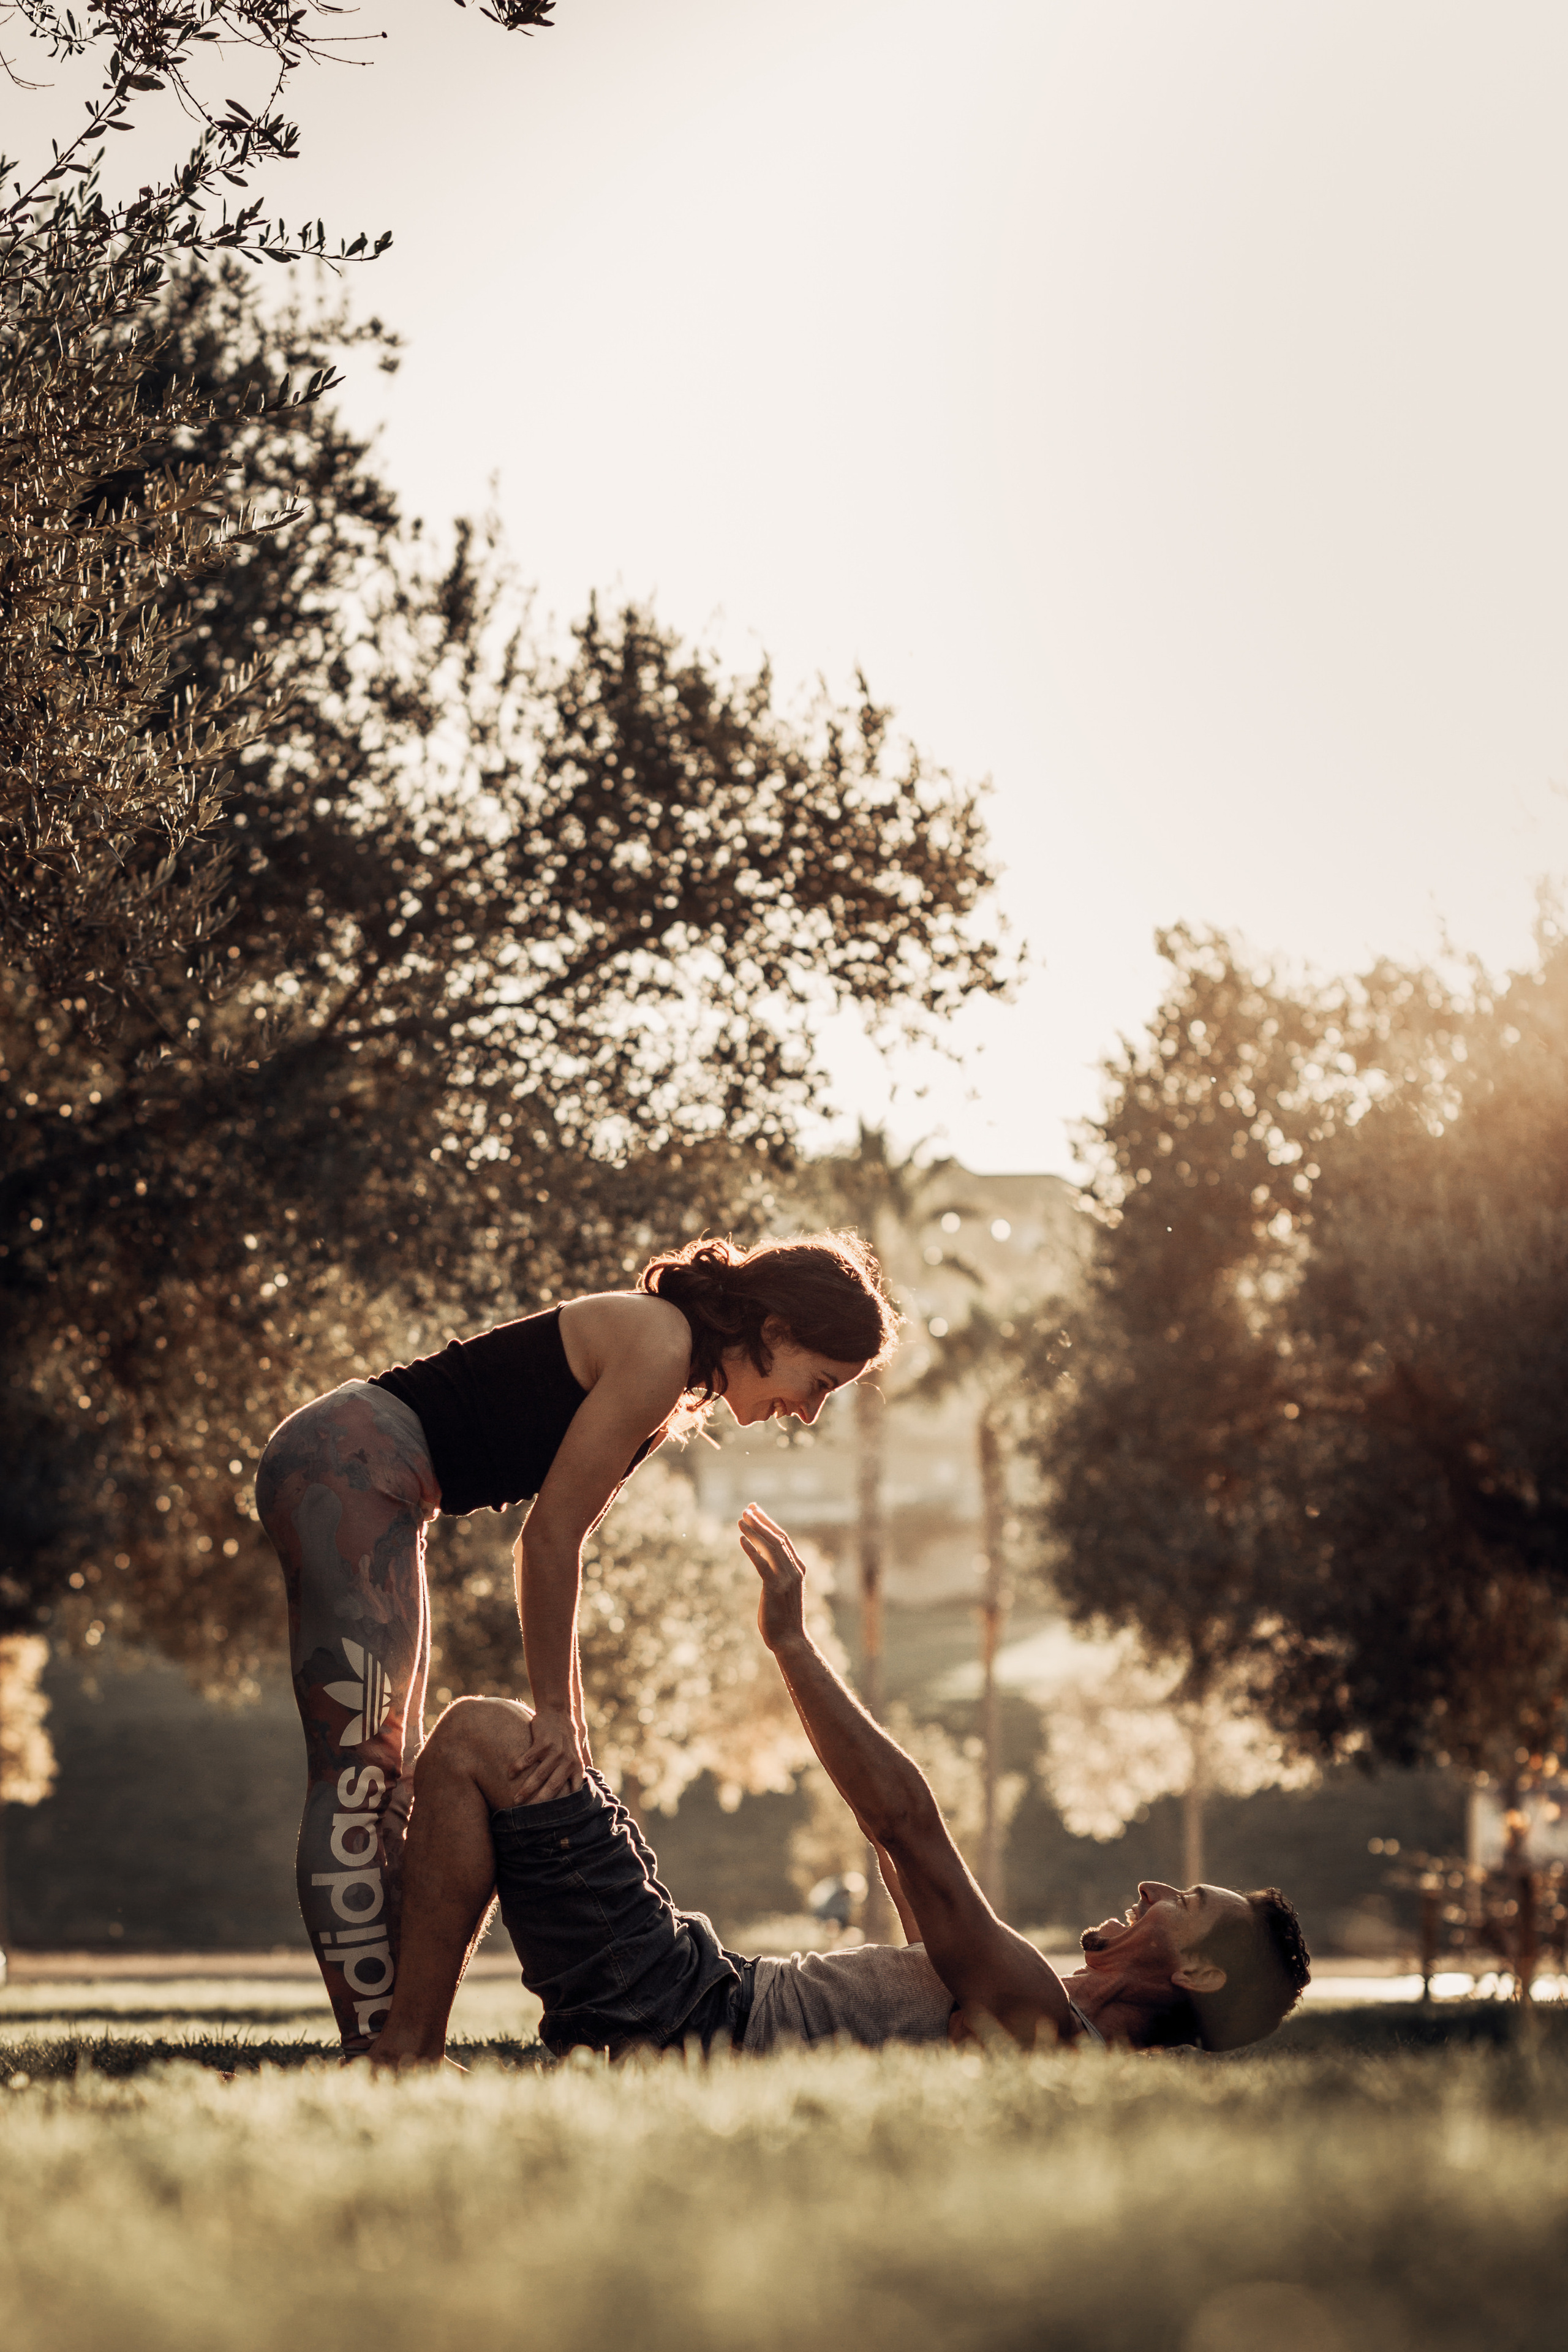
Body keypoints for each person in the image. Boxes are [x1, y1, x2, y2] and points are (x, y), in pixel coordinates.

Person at [370, 1507, 1311, 2067]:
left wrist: (791, 1643)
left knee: (484, 1737)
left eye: (1188, 1903)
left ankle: (404, 2058)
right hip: (686, 1994)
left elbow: (907, 1825)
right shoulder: (1033, 2008)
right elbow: (898, 1852)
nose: (1154, 1888)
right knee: (505, 1758)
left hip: (685, 2011)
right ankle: (407, 2030)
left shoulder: (1041, 2016)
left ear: (1198, 1973)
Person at [255, 1237, 897, 2052]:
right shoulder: (661, 1345)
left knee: (385, 1782)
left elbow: (560, 1533)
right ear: (775, 1329)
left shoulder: (671, 1373)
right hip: (346, 1466)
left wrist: (570, 1719)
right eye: (822, 1383)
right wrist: (558, 1713)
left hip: (372, 1478)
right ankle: (378, 2051)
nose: (808, 1413)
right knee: (358, 1778)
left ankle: (393, 2047)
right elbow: (550, 1537)